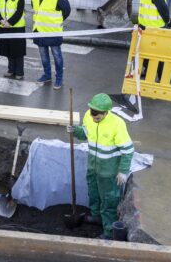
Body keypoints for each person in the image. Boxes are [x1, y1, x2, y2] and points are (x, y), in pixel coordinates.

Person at [67, 93, 134, 240]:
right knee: (94, 194)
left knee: (109, 202)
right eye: (92, 115)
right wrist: (76, 131)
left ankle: (109, 233)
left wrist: (123, 171)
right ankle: (96, 217)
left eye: (97, 117)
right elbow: (86, 133)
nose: (93, 119)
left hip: (108, 172)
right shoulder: (88, 116)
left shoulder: (117, 124)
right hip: (93, 166)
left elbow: (128, 150)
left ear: (105, 113)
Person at [31, 0, 71, 89]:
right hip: (39, 31)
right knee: (43, 56)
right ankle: (47, 74)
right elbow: (35, 8)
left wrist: (56, 21)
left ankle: (59, 78)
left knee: (57, 56)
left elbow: (66, 10)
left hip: (53, 31)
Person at [0, 0, 26, 80]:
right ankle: (11, 70)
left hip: (16, 27)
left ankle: (19, 72)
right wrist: (2, 21)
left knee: (17, 51)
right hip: (4, 26)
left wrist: (9, 22)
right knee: (8, 49)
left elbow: (19, 11)